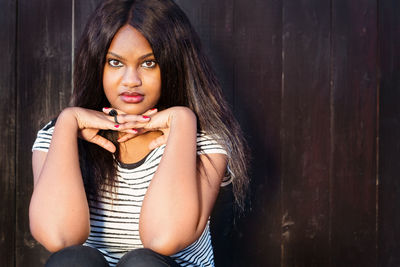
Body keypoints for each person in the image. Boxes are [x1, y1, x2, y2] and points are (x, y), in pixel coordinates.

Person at [30, 0, 249, 266]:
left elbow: (163, 240)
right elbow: (59, 238)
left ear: (172, 65)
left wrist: (183, 120)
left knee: (143, 263)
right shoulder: (57, 136)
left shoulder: (204, 141)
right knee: (71, 260)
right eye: (114, 62)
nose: (131, 80)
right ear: (97, 65)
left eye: (148, 64)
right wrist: (67, 123)